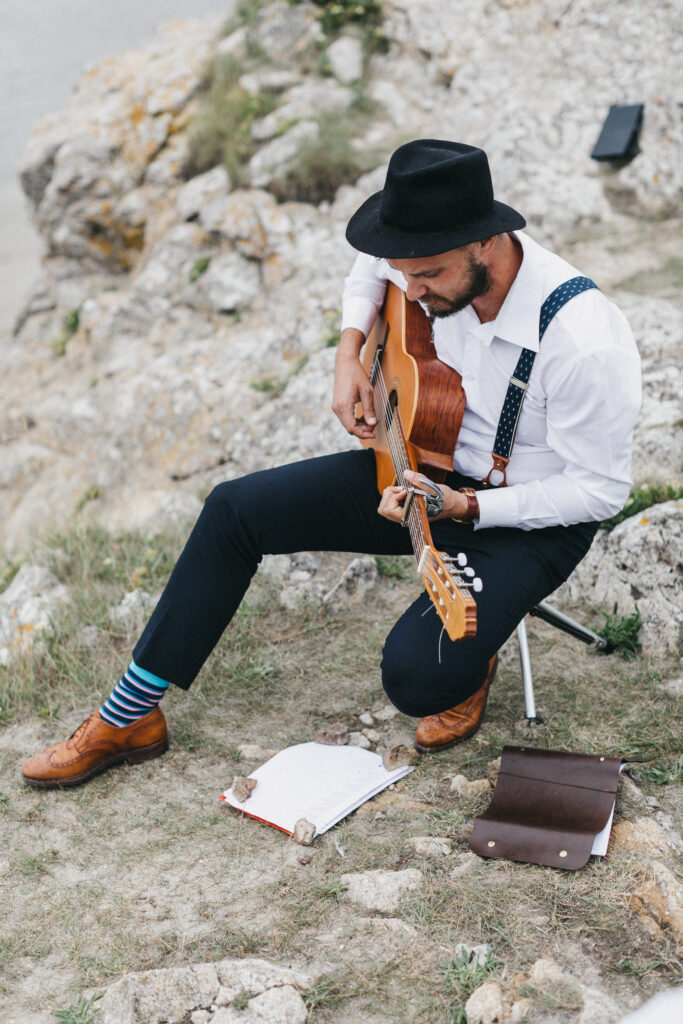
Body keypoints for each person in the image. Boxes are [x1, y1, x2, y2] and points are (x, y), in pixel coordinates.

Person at [21, 140, 641, 789]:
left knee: (415, 677)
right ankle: (130, 717)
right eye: (403, 273)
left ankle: (473, 659)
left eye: (425, 276)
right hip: (426, 463)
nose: (411, 289)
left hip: (532, 514)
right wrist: (350, 353)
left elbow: (596, 491)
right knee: (234, 508)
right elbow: (371, 263)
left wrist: (467, 507)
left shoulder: (581, 341)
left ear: (483, 243)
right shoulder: (419, 262)